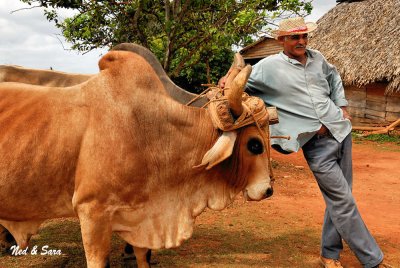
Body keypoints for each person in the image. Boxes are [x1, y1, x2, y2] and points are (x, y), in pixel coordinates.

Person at [220, 17, 388, 268]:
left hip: (341, 133)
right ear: (281, 40)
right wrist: (228, 77)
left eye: (304, 36)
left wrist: (341, 106)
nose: (301, 41)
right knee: (343, 200)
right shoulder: (268, 67)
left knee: (340, 199)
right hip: (315, 144)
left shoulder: (318, 58)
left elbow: (334, 77)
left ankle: (329, 254)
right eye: (295, 37)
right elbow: (238, 83)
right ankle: (372, 260)